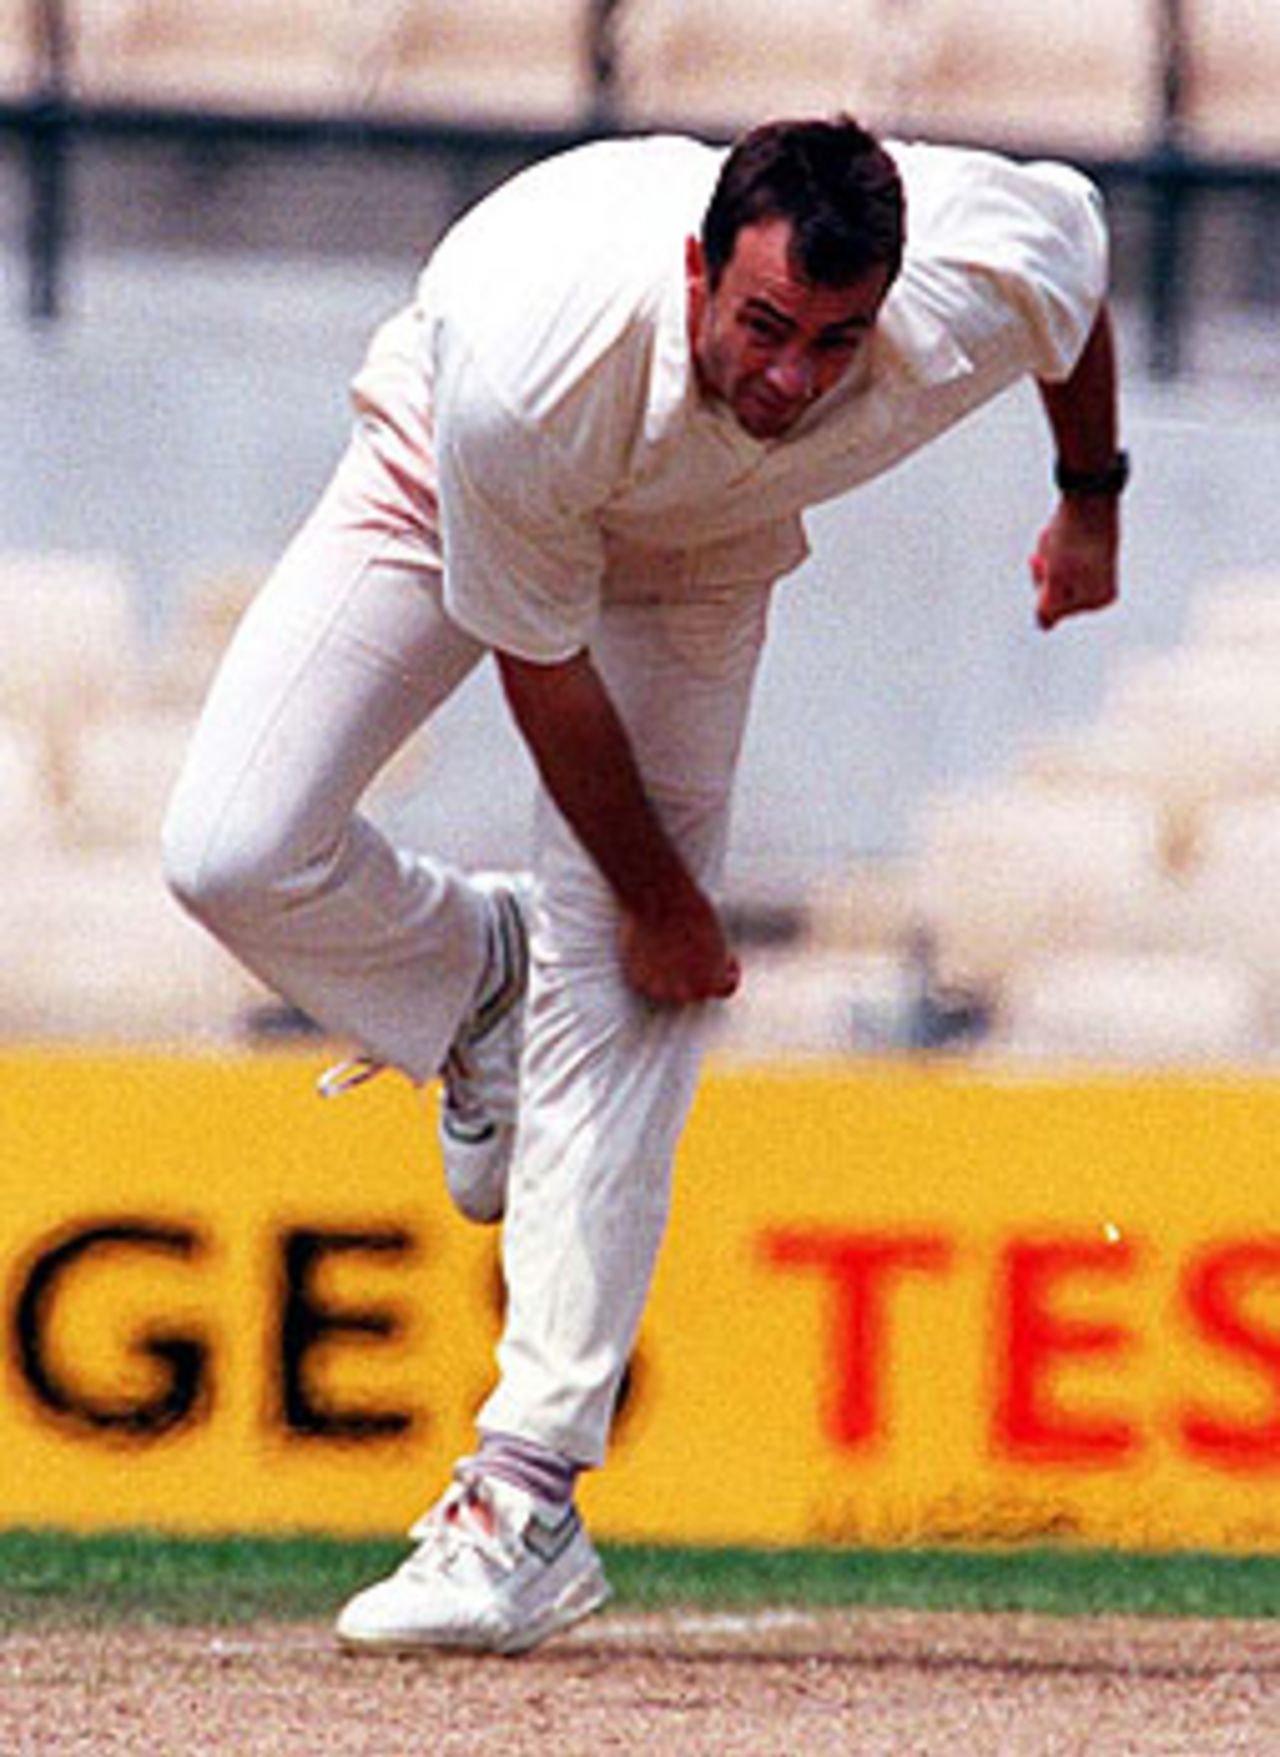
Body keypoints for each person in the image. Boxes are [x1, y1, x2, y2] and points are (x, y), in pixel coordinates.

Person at [162, 115, 1124, 1655]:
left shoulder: (968, 276)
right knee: (230, 847)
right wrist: (662, 895)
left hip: (701, 550)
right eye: (762, 327)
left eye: (833, 341)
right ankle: (477, 988)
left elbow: (1075, 287)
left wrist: (1092, 494)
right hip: (454, 467)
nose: (794, 381)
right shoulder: (532, 363)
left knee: (621, 995)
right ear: (696, 268)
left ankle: (524, 1495)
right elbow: (541, 673)